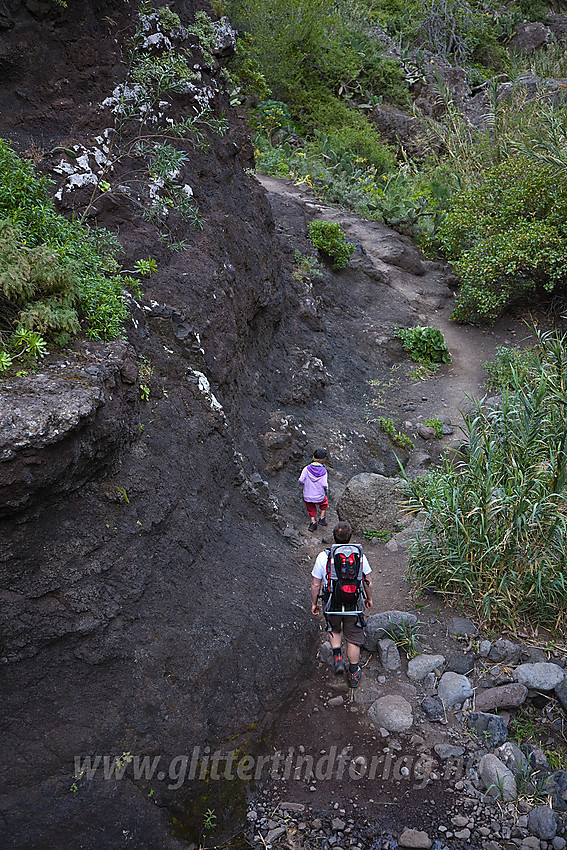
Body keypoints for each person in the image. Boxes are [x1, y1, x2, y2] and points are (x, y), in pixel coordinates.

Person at [310, 521, 373, 688]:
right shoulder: (360, 555)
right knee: (353, 637)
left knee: (334, 628)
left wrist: (314, 603)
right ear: (350, 537)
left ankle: (338, 657)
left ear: (334, 536)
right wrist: (369, 598)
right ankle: (353, 672)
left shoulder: (324, 556)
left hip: (332, 601)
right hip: (354, 602)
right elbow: (367, 581)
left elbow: (316, 584)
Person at [298, 448, 329, 532]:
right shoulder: (324, 471)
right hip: (319, 496)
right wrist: (326, 489)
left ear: (313, 457)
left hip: (307, 495)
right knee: (324, 502)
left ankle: (313, 522)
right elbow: (324, 484)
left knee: (310, 507)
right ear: (324, 459)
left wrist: (302, 485)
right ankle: (322, 517)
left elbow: (301, 480)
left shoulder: (306, 469)